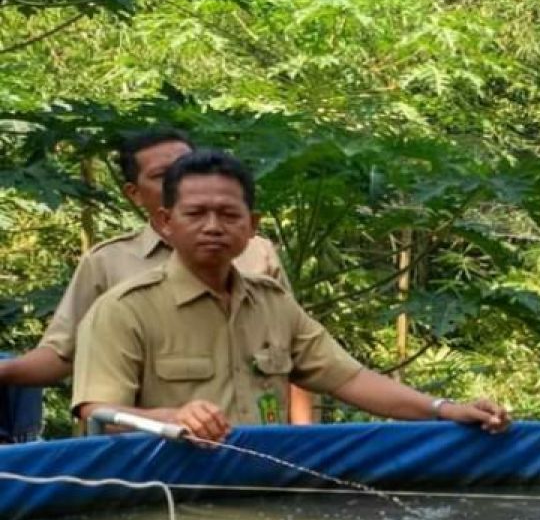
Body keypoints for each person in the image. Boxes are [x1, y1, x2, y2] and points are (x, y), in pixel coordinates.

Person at [72, 149, 509, 441]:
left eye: (228, 214)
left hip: (263, 491)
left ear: (252, 224)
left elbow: (349, 378)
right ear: (166, 222)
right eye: (196, 214)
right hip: (163, 506)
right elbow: (96, 413)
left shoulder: (272, 303)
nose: (212, 226)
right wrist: (170, 419)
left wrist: (444, 409)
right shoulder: (124, 310)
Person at [0, 128, 314, 423]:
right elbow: (61, 355)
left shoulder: (255, 252)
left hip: (258, 453)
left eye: (186, 167)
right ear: (134, 193)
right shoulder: (107, 263)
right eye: (163, 176)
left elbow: (292, 352)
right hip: (149, 458)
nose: (180, 180)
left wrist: (304, 439)